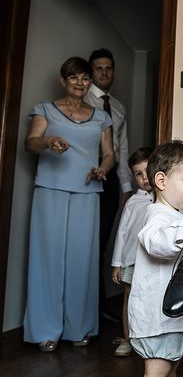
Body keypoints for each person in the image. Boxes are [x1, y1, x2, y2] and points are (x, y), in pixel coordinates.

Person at [23, 56, 115, 352]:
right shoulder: (46, 109)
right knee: (47, 259)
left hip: (88, 191)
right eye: (73, 77)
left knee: (81, 260)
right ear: (63, 81)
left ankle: (79, 327)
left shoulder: (101, 116)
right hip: (50, 189)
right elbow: (30, 143)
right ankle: (45, 331)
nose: (80, 83)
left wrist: (104, 169)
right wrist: (48, 142)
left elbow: (110, 154)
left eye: (85, 78)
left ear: (91, 82)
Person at [127, 140, 183, 377]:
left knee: (170, 369)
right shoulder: (157, 215)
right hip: (159, 320)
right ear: (161, 181)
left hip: (172, 316)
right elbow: (158, 244)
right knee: (156, 372)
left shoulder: (174, 217)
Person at [84, 47, 133, 321]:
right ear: (90, 72)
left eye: (108, 68)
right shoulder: (82, 100)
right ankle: (84, 306)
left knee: (102, 241)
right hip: (85, 174)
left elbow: (123, 149)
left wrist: (126, 186)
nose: (104, 73)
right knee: (84, 241)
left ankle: (98, 307)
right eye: (99, 68)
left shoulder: (118, 108)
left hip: (111, 179)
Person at [110, 146, 154, 357]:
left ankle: (150, 340)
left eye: (148, 171)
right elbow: (122, 233)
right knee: (129, 298)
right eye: (138, 174)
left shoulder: (165, 200)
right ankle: (127, 339)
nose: (145, 178)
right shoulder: (132, 202)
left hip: (154, 260)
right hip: (132, 260)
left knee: (152, 298)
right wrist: (117, 263)